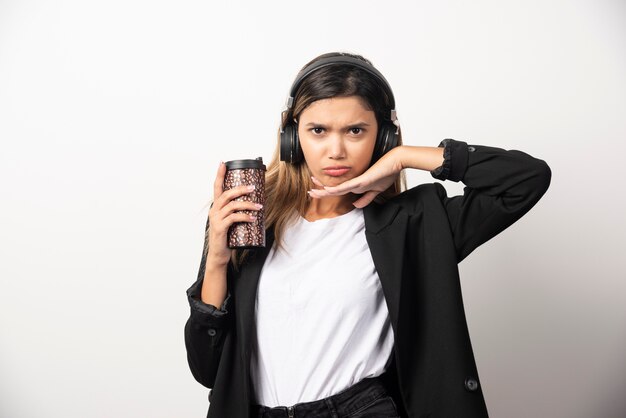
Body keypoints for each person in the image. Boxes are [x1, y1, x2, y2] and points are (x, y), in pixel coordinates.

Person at [184, 52, 551, 418]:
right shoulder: (252, 219)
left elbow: (525, 179)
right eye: (318, 131)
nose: (336, 151)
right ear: (292, 137)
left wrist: (404, 157)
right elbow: (207, 370)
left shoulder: (415, 223)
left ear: (384, 136)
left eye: (356, 130)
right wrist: (217, 259)